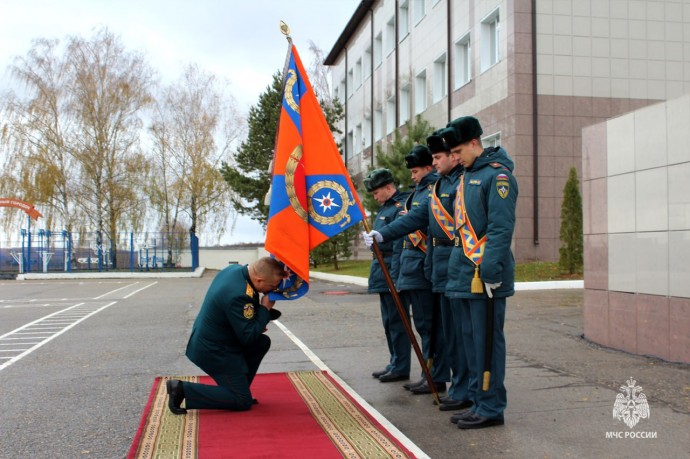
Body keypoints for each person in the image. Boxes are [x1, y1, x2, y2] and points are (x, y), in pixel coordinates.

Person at [444, 116, 518, 429]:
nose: (455, 157)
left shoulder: (497, 177)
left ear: (475, 143)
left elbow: (501, 228)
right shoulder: (467, 176)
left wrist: (489, 270)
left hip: (485, 275)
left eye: (458, 150)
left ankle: (491, 407)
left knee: (487, 343)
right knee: (470, 343)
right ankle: (477, 400)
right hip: (464, 274)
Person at [364, 145, 449, 395]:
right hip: (406, 270)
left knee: (430, 328)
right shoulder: (416, 195)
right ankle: (427, 373)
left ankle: (433, 374)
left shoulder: (426, 193)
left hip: (420, 269)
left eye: (415, 171)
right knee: (417, 325)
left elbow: (413, 235)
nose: (412, 176)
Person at [166, 257, 286, 414]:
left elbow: (245, 320)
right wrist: (265, 308)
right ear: (259, 279)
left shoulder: (235, 271)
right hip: (214, 351)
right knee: (242, 401)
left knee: (261, 342)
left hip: (219, 340)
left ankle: (238, 389)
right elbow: (248, 336)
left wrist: (259, 319)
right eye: (271, 286)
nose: (271, 291)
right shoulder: (239, 294)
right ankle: (181, 389)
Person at [363, 168, 412, 383]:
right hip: (382, 270)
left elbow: (400, 242)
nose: (374, 197)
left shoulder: (400, 208)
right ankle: (394, 361)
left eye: (376, 192)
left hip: (393, 268)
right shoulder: (385, 209)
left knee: (398, 321)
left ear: (388, 187)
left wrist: (396, 276)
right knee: (388, 322)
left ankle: (401, 366)